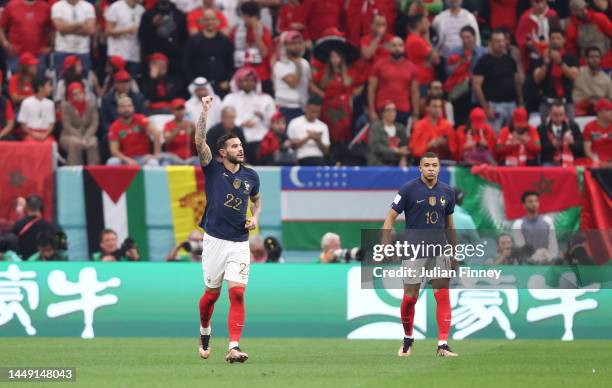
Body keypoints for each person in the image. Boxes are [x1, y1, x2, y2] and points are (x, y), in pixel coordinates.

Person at [194, 95, 262, 363]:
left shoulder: (251, 176)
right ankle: (204, 331)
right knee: (211, 296)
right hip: (214, 241)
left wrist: (255, 216)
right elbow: (199, 142)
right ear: (223, 152)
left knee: (237, 292)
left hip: (239, 242)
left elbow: (257, 201)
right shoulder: (212, 169)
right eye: (234, 146)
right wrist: (205, 111)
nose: (240, 148)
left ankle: (233, 346)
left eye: (241, 144)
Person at [382, 151, 458, 357]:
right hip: (414, 250)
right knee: (410, 298)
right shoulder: (408, 189)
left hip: (439, 249)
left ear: (439, 168)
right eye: (427, 165)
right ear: (420, 168)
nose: (431, 168)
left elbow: (450, 225)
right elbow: (389, 218)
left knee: (442, 295)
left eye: (435, 165)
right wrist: (385, 244)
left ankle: (442, 344)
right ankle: (408, 339)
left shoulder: (448, 192)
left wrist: (455, 250)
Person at [473, 29, 523, 132]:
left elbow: (516, 82)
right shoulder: (483, 62)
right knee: (493, 136)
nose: (500, 44)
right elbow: (476, 86)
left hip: (511, 104)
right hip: (494, 105)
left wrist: (520, 102)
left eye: (502, 41)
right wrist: (486, 108)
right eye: (497, 41)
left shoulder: (510, 60)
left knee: (513, 135)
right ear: (490, 43)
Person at [222, 67, 275, 162]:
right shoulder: (230, 98)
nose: (249, 83)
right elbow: (224, 118)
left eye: (252, 80)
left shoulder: (266, 99)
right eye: (245, 80)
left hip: (260, 139)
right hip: (237, 138)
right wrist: (241, 123)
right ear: (239, 82)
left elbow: (273, 122)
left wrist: (263, 117)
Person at [368, 36, 419, 126]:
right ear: (389, 47)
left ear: (404, 48)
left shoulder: (412, 67)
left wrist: (415, 115)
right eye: (394, 45)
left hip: (403, 111)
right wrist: (372, 111)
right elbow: (371, 89)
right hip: (383, 110)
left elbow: (414, 92)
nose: (397, 48)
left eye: (400, 45)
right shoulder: (379, 65)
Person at [183, 9, 234, 97]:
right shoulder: (194, 41)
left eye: (212, 19)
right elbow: (186, 63)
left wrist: (227, 80)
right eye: (206, 19)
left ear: (218, 22)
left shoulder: (225, 41)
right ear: (201, 22)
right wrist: (192, 82)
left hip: (220, 87)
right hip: (199, 88)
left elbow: (230, 63)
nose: (210, 22)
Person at [532, 28, 579, 121]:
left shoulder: (571, 58)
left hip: (566, 101)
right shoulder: (542, 58)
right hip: (546, 102)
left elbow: (574, 75)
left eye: (558, 38)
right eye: (552, 38)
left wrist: (560, 62)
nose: (555, 41)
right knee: (545, 130)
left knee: (569, 128)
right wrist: (545, 63)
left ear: (564, 40)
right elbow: (536, 79)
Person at [310, 49, 356, 144]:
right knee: (328, 132)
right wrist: (322, 94)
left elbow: (360, 85)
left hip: (343, 109)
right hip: (328, 109)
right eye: (332, 57)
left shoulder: (348, 73)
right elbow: (311, 85)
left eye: (337, 57)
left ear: (341, 58)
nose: (335, 59)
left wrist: (350, 95)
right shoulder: (324, 73)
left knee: (344, 131)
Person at [444, 25, 488, 125]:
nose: (465, 40)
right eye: (463, 38)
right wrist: (461, 61)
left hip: (479, 92)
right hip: (461, 92)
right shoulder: (455, 52)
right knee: (461, 121)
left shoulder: (483, 52)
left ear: (474, 37)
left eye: (468, 37)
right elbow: (448, 71)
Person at [230, 1, 273, 94]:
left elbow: (264, 53)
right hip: (240, 74)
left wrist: (256, 32)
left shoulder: (264, 31)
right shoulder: (236, 31)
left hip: (261, 75)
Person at [107, 96, 161, 166]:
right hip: (125, 159)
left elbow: (156, 133)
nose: (127, 109)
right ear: (118, 109)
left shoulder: (140, 119)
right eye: (123, 107)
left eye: (129, 106)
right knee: (112, 162)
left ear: (133, 108)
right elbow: (114, 150)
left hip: (143, 157)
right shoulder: (114, 127)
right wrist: (127, 160)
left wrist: (156, 155)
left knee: (153, 162)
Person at [0, 0, 51, 74]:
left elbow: (51, 29)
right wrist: (5, 42)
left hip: (38, 55)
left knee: (38, 83)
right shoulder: (11, 6)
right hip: (16, 54)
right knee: (17, 82)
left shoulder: (45, 7)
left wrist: (50, 46)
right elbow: (1, 26)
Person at [138, 0, 188, 74]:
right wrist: (153, 25)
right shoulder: (148, 15)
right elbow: (142, 37)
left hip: (175, 61)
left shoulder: (179, 15)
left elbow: (185, 38)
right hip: (154, 60)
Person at [51, 0, 96, 81]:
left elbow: (90, 30)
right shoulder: (57, 6)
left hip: (82, 51)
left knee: (84, 82)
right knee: (61, 81)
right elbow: (60, 28)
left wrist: (67, 27)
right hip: (63, 50)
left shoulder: (88, 7)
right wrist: (80, 24)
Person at [273, 31, 310, 124]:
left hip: (302, 107)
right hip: (286, 108)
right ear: (285, 46)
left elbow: (309, 84)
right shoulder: (280, 64)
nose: (298, 46)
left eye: (300, 43)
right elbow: (294, 83)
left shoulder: (305, 62)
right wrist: (298, 65)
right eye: (293, 44)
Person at [512, 190, 559, 263]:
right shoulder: (518, 224)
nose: (534, 204)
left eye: (536, 201)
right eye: (530, 202)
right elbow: (521, 246)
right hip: (527, 263)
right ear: (524, 205)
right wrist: (534, 258)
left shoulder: (547, 221)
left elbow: (553, 243)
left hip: (547, 261)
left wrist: (551, 258)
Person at [60, 82, 100, 165]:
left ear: (84, 93)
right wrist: (81, 138)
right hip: (69, 135)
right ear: (70, 96)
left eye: (80, 93)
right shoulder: (65, 106)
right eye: (74, 94)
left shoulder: (91, 105)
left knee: (93, 142)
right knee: (75, 143)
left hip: (88, 134)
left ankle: (93, 172)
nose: (78, 96)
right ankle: (74, 172)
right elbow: (67, 126)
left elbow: (94, 124)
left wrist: (86, 137)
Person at [10, 195, 60, 260]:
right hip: (44, 264)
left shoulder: (17, 225)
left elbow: (10, 245)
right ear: (41, 207)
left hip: (22, 264)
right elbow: (62, 243)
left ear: (26, 207)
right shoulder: (50, 226)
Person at [515, 0, 560, 71]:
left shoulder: (552, 14)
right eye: (537, 2)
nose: (541, 6)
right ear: (531, 2)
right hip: (533, 57)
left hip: (551, 55)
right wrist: (532, 44)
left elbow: (558, 35)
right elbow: (521, 39)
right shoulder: (526, 18)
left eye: (543, 2)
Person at [104, 0, 145, 77]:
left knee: (131, 82)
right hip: (117, 53)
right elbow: (108, 31)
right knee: (115, 81)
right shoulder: (116, 7)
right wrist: (126, 30)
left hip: (134, 54)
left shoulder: (141, 10)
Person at [287, 95, 331, 165]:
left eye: (317, 112)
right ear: (306, 108)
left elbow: (326, 151)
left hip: (319, 158)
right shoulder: (295, 123)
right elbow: (292, 146)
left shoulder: (323, 126)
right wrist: (308, 137)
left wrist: (318, 140)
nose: (315, 114)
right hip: (300, 158)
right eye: (312, 111)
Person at [409, 97, 456, 161]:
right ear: (427, 108)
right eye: (435, 106)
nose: (438, 109)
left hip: (444, 162)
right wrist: (429, 145)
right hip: (423, 162)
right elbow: (414, 150)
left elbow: (454, 150)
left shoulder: (447, 126)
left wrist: (446, 144)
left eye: (440, 106)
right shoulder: (419, 126)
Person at [405, 13, 439, 95]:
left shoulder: (417, 39)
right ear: (419, 24)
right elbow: (436, 60)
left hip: (424, 78)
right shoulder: (416, 41)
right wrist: (427, 39)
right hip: (422, 80)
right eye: (426, 22)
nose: (429, 25)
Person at [367, 101, 409, 166]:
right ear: (383, 113)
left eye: (394, 110)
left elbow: (404, 147)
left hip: (396, 163)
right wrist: (395, 151)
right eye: (388, 110)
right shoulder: (376, 127)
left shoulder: (401, 128)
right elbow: (376, 147)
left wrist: (403, 159)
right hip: (379, 163)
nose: (392, 113)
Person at [572, 47, 612, 116]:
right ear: (586, 59)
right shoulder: (578, 73)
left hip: (600, 112)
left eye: (597, 57)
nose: (595, 59)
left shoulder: (606, 79)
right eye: (592, 57)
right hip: (579, 111)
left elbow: (610, 99)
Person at [18, 76, 55, 144]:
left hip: (45, 134)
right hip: (30, 134)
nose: (51, 88)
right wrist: (33, 134)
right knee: (30, 143)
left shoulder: (50, 104)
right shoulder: (26, 102)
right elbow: (23, 124)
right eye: (48, 85)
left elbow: (51, 124)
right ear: (40, 88)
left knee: (51, 144)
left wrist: (45, 134)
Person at [163, 98, 198, 165]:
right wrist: (178, 128)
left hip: (189, 159)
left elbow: (198, 144)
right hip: (173, 158)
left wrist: (194, 132)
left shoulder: (190, 124)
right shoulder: (168, 125)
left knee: (201, 163)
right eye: (178, 109)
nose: (181, 111)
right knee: (165, 163)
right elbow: (167, 140)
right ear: (172, 111)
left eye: (182, 109)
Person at [583, 98, 612, 167]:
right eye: (608, 110)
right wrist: (599, 162)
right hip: (596, 161)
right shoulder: (589, 127)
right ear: (599, 112)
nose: (611, 112)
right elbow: (587, 151)